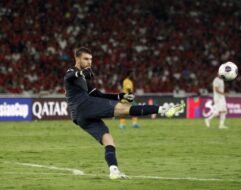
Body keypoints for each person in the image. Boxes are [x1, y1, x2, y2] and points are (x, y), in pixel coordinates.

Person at [64, 47, 185, 179]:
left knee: (108, 140)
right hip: (83, 106)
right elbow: (70, 76)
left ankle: (114, 170)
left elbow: (98, 95)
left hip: (79, 116)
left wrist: (120, 96)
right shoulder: (72, 71)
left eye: (91, 59)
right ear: (77, 58)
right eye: (86, 59)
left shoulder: (84, 80)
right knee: (124, 109)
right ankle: (165, 110)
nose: (89, 62)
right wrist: (80, 74)